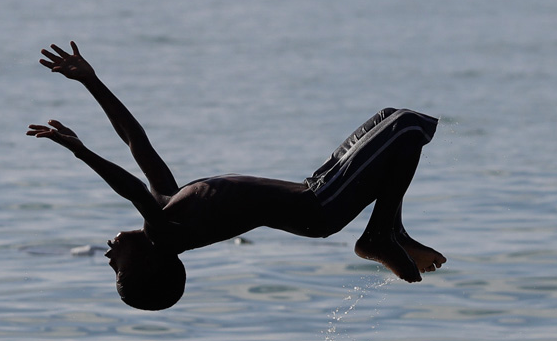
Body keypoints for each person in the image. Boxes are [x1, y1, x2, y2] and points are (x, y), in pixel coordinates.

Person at [27, 42, 445, 310]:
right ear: (149, 265)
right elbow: (132, 189)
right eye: (117, 269)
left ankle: (391, 231)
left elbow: (137, 144)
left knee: (391, 120)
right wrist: (79, 150)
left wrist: (92, 82)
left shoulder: (170, 210)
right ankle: (379, 236)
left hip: (318, 188)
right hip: (321, 205)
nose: (107, 257)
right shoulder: (167, 234)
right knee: (407, 128)